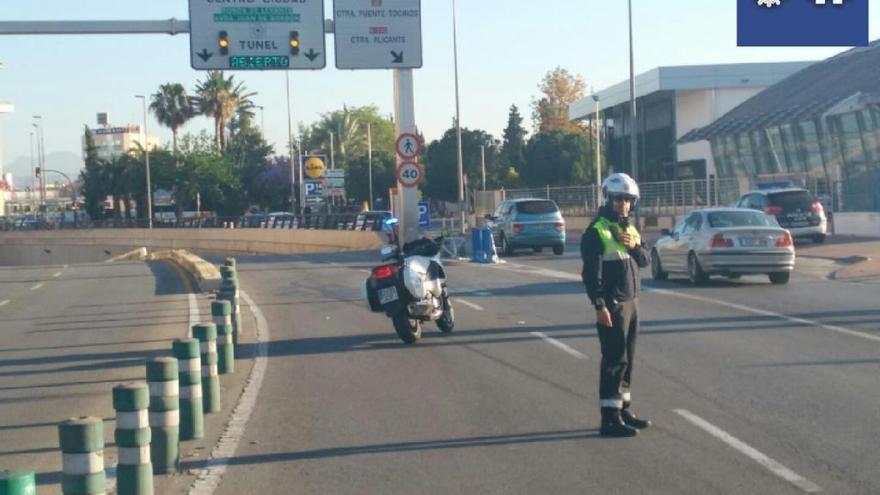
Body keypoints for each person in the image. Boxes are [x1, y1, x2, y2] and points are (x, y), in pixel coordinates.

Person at [581, 173, 652, 438]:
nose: (623, 205)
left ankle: (623, 411)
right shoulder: (596, 231)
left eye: (628, 200)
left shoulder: (631, 229)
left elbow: (645, 260)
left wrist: (634, 246)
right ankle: (609, 418)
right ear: (607, 199)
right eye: (618, 199)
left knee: (628, 360)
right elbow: (590, 275)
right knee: (614, 360)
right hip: (613, 305)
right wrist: (600, 305)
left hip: (632, 302)